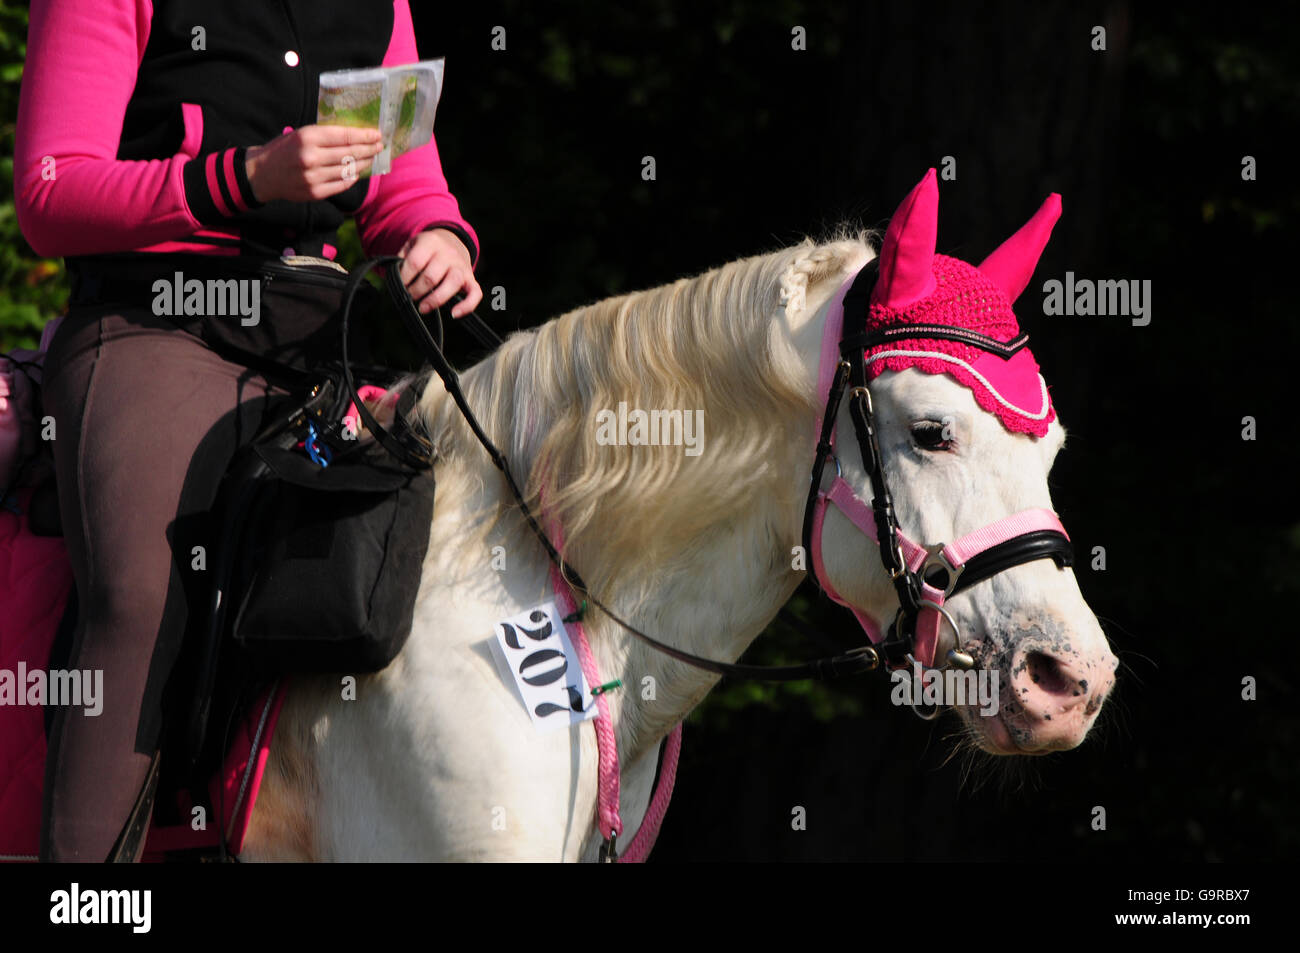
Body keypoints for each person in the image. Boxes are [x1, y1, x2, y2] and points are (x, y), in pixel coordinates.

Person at [13, 0, 482, 862]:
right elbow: (50, 192)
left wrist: (438, 238)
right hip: (155, 321)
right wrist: (242, 179)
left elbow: (404, 183)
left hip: (316, 339)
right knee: (143, 593)